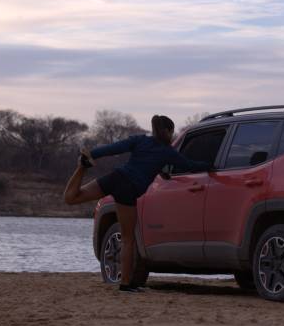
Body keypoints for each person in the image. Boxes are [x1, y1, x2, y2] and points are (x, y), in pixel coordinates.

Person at [63, 115, 211, 292]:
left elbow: (114, 148)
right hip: (128, 190)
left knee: (72, 198)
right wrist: (210, 165)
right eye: (172, 132)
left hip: (116, 178)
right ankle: (126, 284)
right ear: (169, 131)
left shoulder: (141, 140)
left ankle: (82, 167)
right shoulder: (167, 152)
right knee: (128, 239)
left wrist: (92, 154)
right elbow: (190, 165)